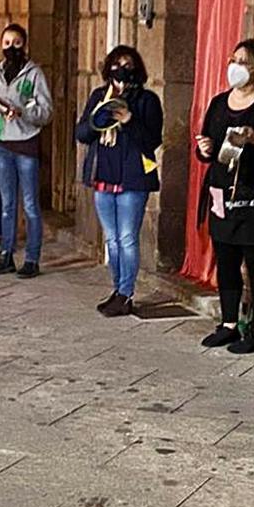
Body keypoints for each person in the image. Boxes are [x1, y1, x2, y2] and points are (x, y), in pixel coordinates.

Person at [195, 39, 254, 354]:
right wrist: (204, 149)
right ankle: (229, 323)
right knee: (226, 259)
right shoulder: (219, 103)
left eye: (244, 62)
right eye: (233, 59)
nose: (236, 66)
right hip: (223, 190)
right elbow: (205, 144)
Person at [76, 45, 163, 317]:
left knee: (127, 238)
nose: (121, 69)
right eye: (116, 63)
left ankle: (126, 293)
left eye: (127, 63)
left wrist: (129, 120)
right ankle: (117, 289)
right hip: (103, 177)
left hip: (132, 181)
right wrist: (96, 121)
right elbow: (81, 133)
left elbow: (152, 141)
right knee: (111, 240)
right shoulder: (99, 96)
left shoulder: (147, 100)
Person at [0, 24, 53, 279]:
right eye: (6, 43)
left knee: (29, 204)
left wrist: (24, 112)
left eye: (16, 42)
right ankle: (5, 255)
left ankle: (31, 258)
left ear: (24, 44)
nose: (11, 47)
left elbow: (46, 111)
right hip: (2, 144)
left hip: (26, 144)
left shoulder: (34, 74)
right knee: (7, 204)